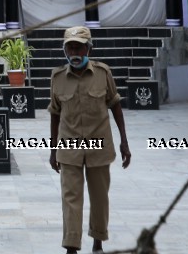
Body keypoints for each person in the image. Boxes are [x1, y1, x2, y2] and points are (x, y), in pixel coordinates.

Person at [48, 25, 131, 253]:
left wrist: (124, 141)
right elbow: (55, 114)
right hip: (69, 146)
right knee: (71, 198)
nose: (75, 53)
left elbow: (116, 106)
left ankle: (98, 242)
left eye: (79, 48)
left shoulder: (103, 74)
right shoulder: (57, 78)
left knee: (99, 197)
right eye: (70, 48)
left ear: (89, 50)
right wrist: (53, 150)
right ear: (65, 51)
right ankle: (71, 246)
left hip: (99, 146)